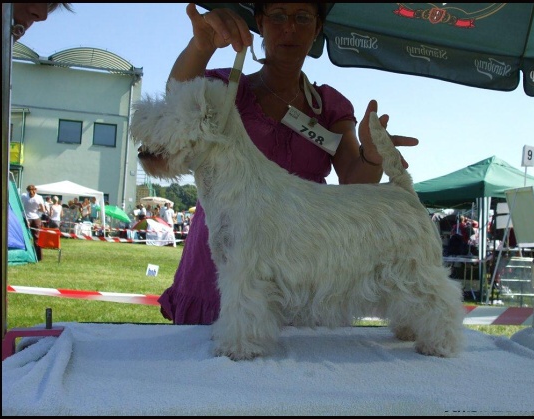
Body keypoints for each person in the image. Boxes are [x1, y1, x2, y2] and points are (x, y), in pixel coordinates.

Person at [142, 3, 418, 325]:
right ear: (260, 22)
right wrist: (200, 47)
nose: (289, 27)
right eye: (277, 16)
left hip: (300, 263)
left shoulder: (329, 106)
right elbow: (174, 100)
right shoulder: (224, 93)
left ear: (317, 29)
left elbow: (356, 184)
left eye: (302, 17)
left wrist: (372, 155)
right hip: (223, 254)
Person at [21, 184, 45, 261]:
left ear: (27, 190)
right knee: (37, 238)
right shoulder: (39, 198)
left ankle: (25, 255)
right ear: (35, 190)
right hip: (36, 219)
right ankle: (38, 257)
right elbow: (43, 210)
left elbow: (20, 205)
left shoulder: (24, 196)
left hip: (25, 218)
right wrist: (36, 210)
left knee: (25, 237)